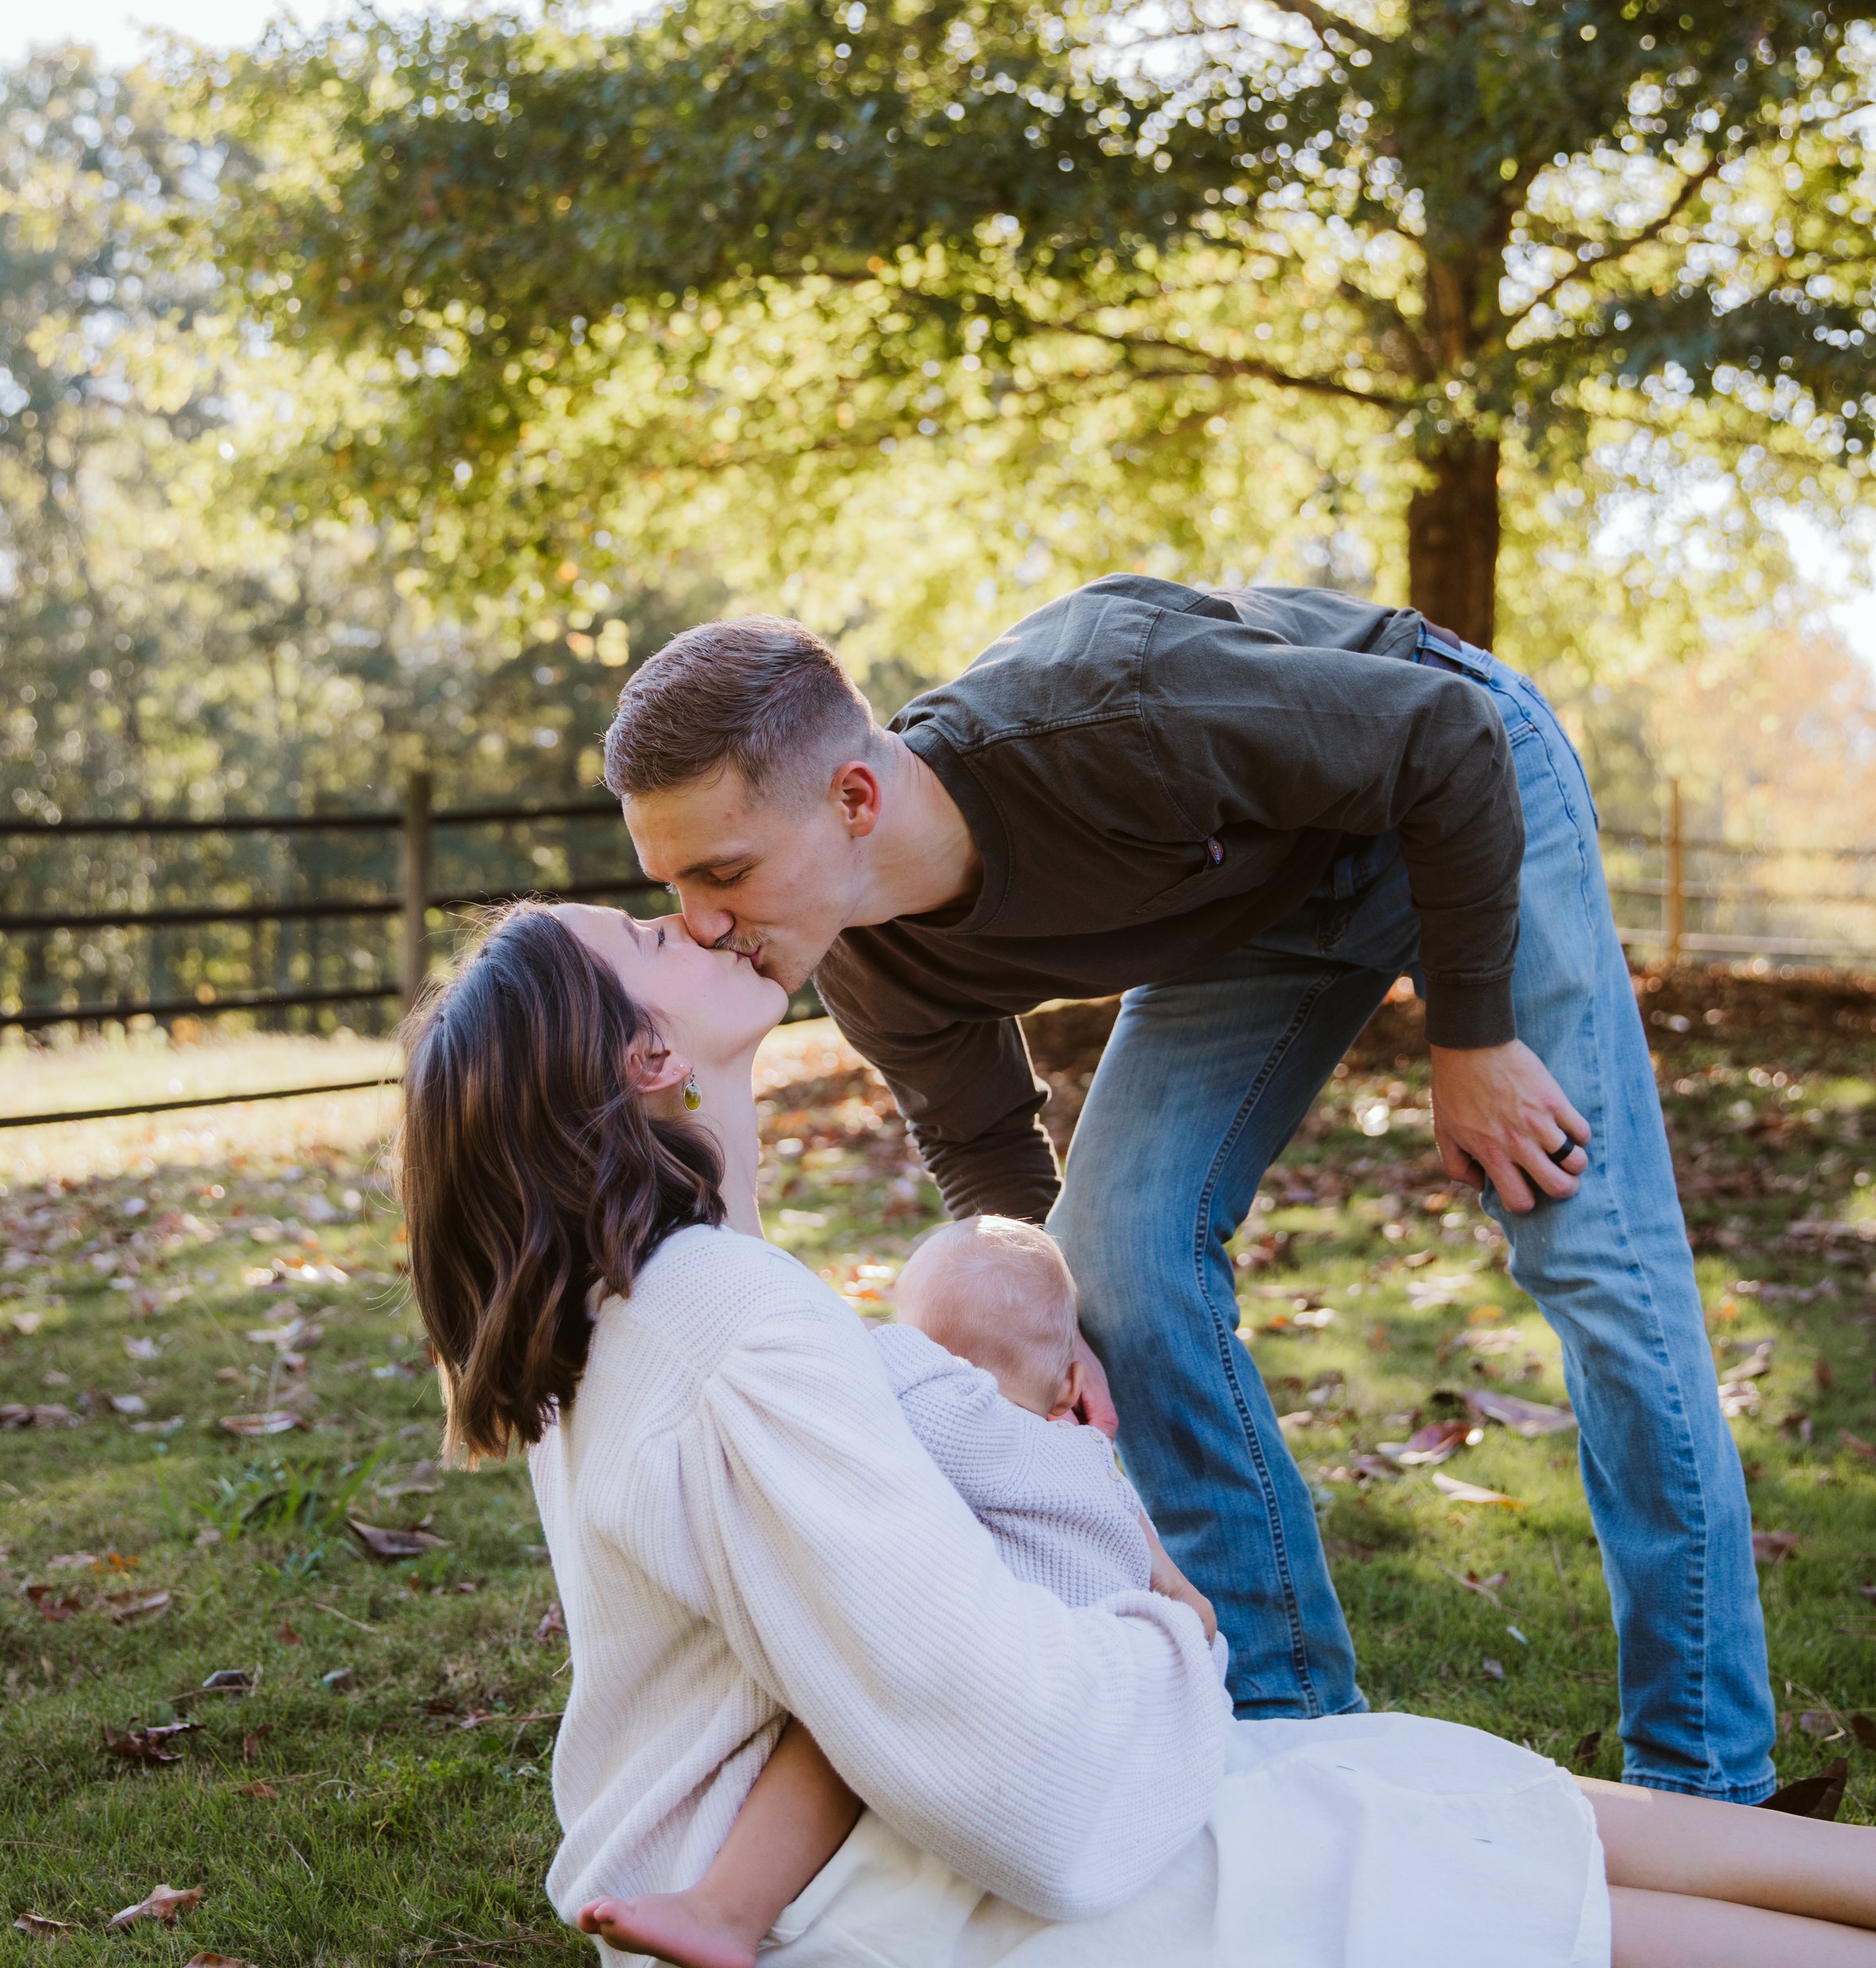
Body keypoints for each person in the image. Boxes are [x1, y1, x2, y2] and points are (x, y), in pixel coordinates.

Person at [394, 897, 1876, 1968]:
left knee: (1420, 1773)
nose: (701, 917)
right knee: (1408, 1877)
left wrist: (1018, 1451)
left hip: (813, 1848)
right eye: (657, 938)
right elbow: (1035, 1774)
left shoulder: (649, 1303)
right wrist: (1167, 1619)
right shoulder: (722, 1327)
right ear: (646, 1061)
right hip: (825, 1919)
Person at [602, 584, 1778, 1805]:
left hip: (1454, 786)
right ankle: (1290, 1729)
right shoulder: (860, 954)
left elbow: (1444, 740)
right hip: (1248, 911)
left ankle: (1709, 1779)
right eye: (673, 883)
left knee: (1593, 1250)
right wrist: (1044, 1349)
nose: (702, 924)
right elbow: (998, 1170)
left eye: (723, 871)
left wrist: (1472, 1037)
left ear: (855, 798)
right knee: (1112, 1253)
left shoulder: (1110, 720)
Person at [572, 1217, 1221, 1968]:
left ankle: (727, 1909)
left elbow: (861, 1379)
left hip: (1006, 1694)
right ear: (1076, 1387)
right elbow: (1185, 1603)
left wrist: (881, 1338)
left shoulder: (954, 1414)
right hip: (1094, 1691)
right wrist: (1189, 1651)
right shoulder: (1097, 1475)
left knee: (843, 1709)